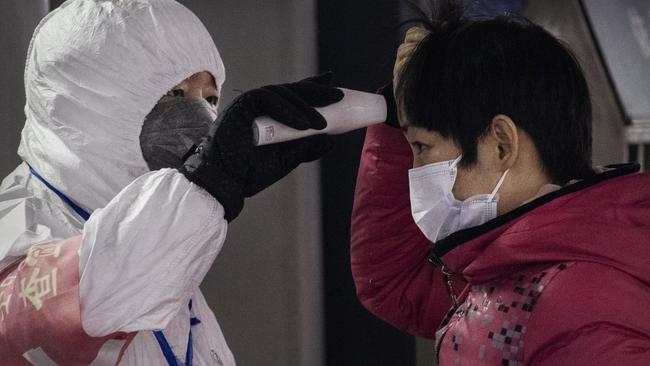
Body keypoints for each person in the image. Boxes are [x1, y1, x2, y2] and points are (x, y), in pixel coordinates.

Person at [0, 0, 339, 364]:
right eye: (173, 93)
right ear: (85, 97)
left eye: (210, 99)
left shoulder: (160, 232)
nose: (200, 117)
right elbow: (92, 295)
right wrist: (208, 182)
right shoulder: (18, 225)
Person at [351, 1, 650, 364]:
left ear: (501, 144)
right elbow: (394, 282)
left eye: (421, 147)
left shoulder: (576, 302)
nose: (414, 172)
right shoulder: (507, 263)